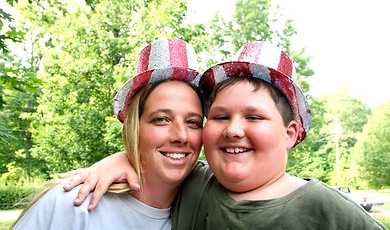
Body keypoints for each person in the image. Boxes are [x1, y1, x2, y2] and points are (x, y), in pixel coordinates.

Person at [62, 41, 387, 229]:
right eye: (219, 116)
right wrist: (122, 159)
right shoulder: (194, 184)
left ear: (289, 133)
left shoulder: (327, 210)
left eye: (254, 116)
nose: (233, 129)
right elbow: (160, 158)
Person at [12, 38, 206, 230]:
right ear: (133, 128)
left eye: (192, 122)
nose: (181, 135)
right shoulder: (72, 205)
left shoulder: (203, 214)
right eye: (161, 119)